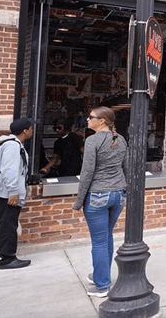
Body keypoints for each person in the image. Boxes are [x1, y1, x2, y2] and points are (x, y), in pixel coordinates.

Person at [72, 107, 129, 297]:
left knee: (98, 241)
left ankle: (102, 285)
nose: (87, 119)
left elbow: (86, 172)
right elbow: (126, 168)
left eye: (90, 117)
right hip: (118, 194)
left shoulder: (92, 140)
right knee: (106, 236)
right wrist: (125, 189)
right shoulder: (120, 139)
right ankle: (101, 274)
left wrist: (79, 201)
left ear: (102, 120)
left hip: (98, 195)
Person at [0, 118, 33, 270]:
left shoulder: (7, 144)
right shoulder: (13, 146)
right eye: (31, 128)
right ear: (25, 131)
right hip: (6, 193)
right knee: (8, 225)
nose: (32, 131)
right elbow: (10, 170)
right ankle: (7, 258)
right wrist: (13, 192)